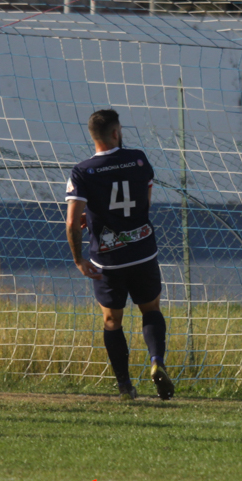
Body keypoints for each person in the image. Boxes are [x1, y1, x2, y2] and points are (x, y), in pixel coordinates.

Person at [65, 109, 173, 401]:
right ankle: (156, 361)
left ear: (93, 136)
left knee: (112, 320)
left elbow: (72, 223)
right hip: (143, 251)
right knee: (151, 310)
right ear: (115, 133)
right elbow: (144, 204)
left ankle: (125, 386)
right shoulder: (139, 159)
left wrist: (78, 259)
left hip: (108, 259)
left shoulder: (82, 171)